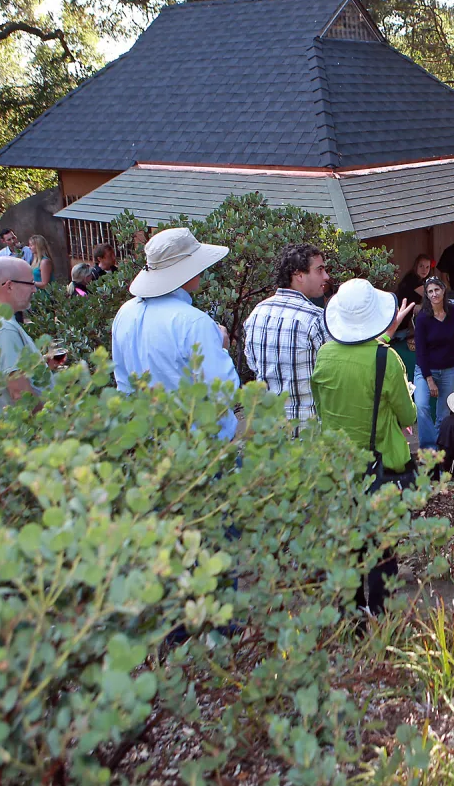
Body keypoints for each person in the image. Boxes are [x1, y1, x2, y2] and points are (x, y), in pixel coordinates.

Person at [311, 277, 416, 616]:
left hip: (339, 468)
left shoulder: (325, 356)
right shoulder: (387, 361)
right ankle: (381, 614)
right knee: (382, 547)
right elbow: (407, 413)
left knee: (348, 546)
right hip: (381, 466)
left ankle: (353, 616)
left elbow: (322, 403)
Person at [112, 227, 240, 440]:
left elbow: (124, 385)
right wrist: (223, 347)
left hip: (151, 441)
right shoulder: (193, 322)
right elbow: (225, 392)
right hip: (203, 446)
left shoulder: (125, 312)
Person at [242, 243, 331, 421]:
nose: (326, 277)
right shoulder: (315, 318)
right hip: (308, 430)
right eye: (319, 270)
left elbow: (253, 364)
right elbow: (333, 374)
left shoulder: (257, 313)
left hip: (267, 430)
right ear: (298, 275)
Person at [0, 256, 47, 408]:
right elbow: (20, 395)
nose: (34, 289)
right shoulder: (3, 329)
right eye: (30, 283)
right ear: (9, 286)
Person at [413, 275, 454, 450]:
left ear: (443, 290)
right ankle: (428, 448)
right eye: (430, 291)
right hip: (426, 369)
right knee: (422, 406)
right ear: (426, 294)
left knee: (443, 413)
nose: (434, 294)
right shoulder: (423, 318)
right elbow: (420, 351)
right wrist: (429, 379)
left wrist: (451, 349)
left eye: (437, 290)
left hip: (448, 369)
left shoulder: (453, 311)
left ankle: (440, 449)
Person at [392, 253, 433, 350]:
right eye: (421, 266)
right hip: (397, 322)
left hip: (403, 323)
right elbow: (432, 297)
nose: (424, 270)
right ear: (416, 266)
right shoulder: (412, 279)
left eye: (427, 267)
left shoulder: (422, 280)